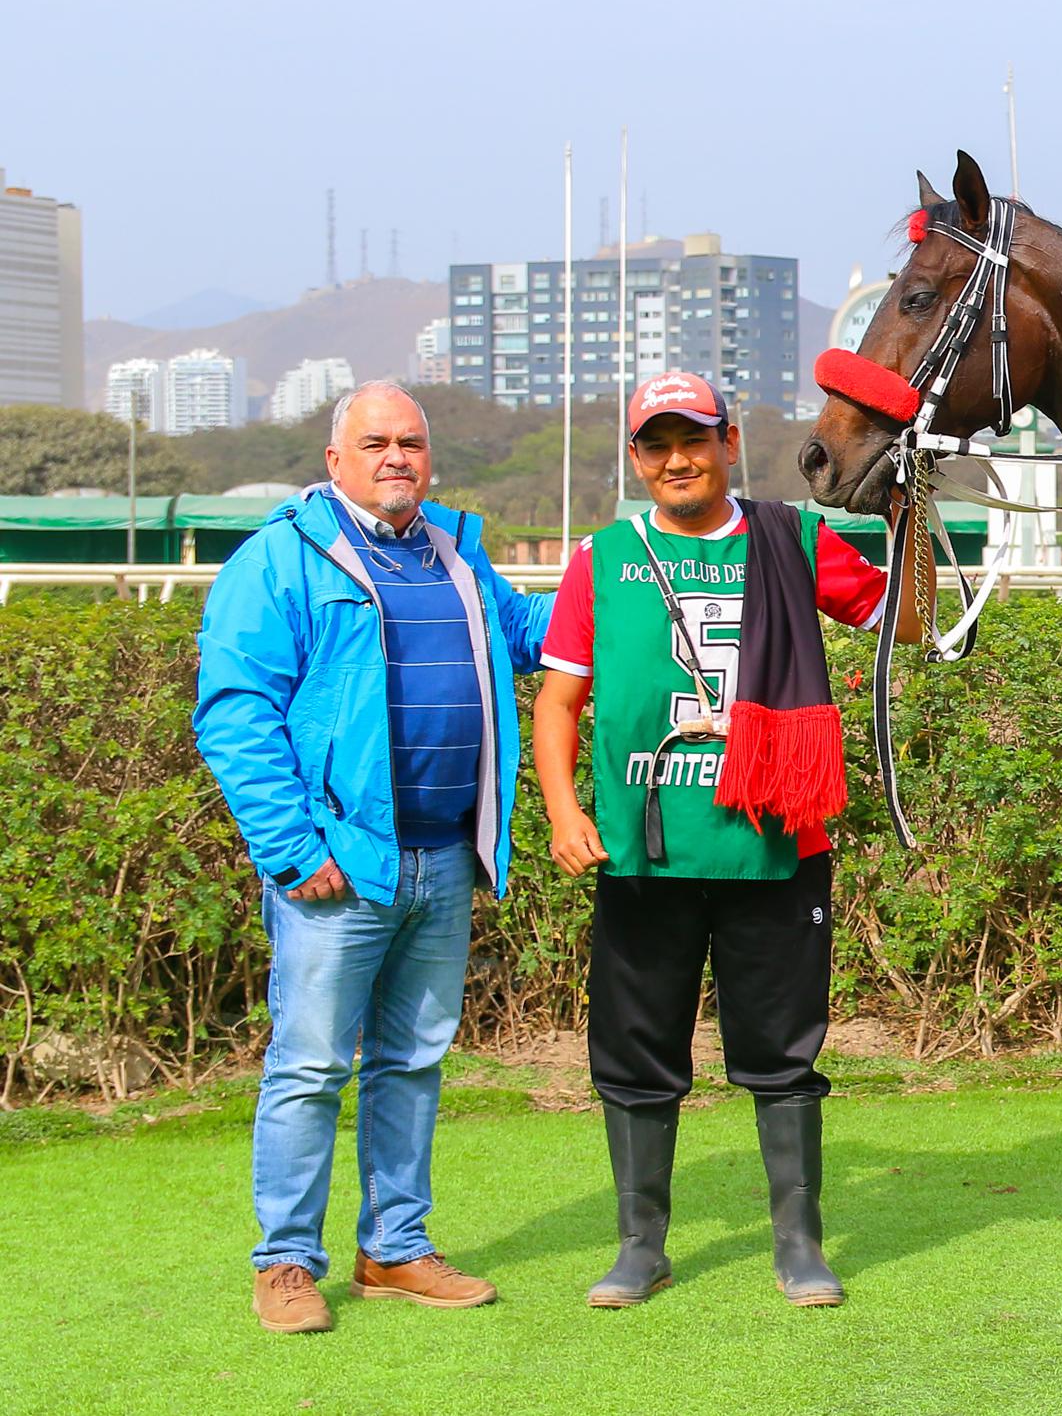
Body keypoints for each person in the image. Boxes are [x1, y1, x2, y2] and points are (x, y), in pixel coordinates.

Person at [532, 370, 919, 1310]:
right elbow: (558, 699)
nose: (677, 459)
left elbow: (902, 622)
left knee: (781, 1054)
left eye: (693, 439)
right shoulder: (603, 557)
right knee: (635, 1053)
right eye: (657, 444)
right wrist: (561, 813)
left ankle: (799, 1247)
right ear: (636, 458)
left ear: (729, 441)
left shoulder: (792, 538)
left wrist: (911, 520)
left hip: (774, 844)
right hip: (643, 846)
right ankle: (640, 1247)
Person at [194, 381, 554, 1334]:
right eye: (377, 442)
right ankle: (285, 1262)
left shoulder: (457, 552)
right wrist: (287, 848)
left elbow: (530, 640)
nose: (397, 457)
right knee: (310, 1067)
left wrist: (633, 582)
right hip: (338, 869)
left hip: (444, 862)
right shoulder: (277, 560)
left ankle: (394, 1249)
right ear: (336, 460)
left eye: (411, 442)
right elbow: (236, 715)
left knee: (411, 1063)